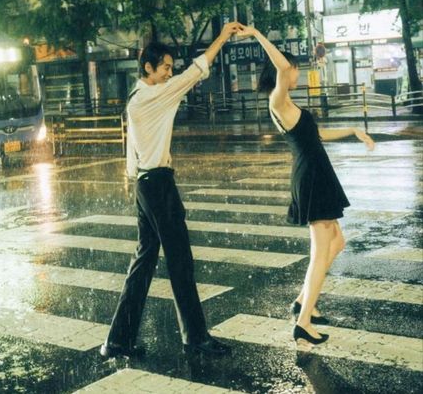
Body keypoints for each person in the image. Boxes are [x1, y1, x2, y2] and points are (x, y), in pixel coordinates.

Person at [100, 22, 243, 359]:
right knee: (180, 261)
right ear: (148, 67)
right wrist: (222, 36)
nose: (169, 72)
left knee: (145, 261)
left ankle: (119, 339)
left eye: (169, 68)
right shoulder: (154, 95)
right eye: (164, 67)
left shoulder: (135, 97)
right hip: (159, 185)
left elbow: (132, 152)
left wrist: (135, 180)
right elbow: (197, 71)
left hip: (144, 184)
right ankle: (195, 337)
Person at [238, 25, 374, 350]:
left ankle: (303, 301)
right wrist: (257, 33)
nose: (297, 71)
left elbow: (319, 135)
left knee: (337, 243)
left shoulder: (292, 106)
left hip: (318, 175)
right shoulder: (278, 100)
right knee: (319, 252)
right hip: (311, 178)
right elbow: (282, 67)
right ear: (283, 71)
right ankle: (303, 322)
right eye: (295, 67)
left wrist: (355, 130)